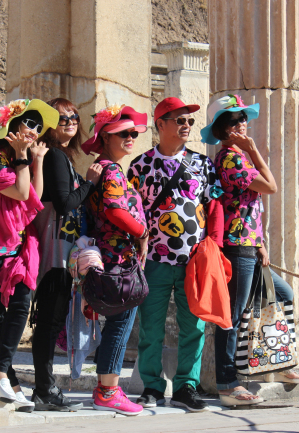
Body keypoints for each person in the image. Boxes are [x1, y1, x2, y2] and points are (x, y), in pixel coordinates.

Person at [202, 94, 299, 407]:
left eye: (243, 117)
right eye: (234, 120)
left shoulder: (239, 157)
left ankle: (275, 361)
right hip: (237, 247)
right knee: (232, 316)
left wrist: (260, 243)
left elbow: (246, 206)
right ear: (223, 130)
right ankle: (227, 383)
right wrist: (254, 149)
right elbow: (271, 187)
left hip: (249, 245)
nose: (242, 123)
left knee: (282, 295)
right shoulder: (232, 159)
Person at [127, 97, 224, 412]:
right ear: (160, 125)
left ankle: (187, 387)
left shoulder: (203, 164)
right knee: (151, 327)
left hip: (194, 261)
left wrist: (215, 246)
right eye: (179, 120)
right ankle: (152, 387)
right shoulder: (139, 166)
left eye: (189, 121)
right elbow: (131, 211)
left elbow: (215, 205)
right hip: (153, 260)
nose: (186, 126)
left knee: (193, 327)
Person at [0, 99, 59, 412]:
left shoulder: (17, 158)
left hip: (14, 249)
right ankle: (9, 382)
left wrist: (38, 161)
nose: (34, 130)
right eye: (28, 123)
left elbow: (35, 197)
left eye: (37, 126)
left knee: (21, 304)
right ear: (10, 125)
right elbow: (20, 193)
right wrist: (22, 157)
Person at [30, 98, 104, 411]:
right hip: (55, 252)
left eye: (74, 116)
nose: (70, 121)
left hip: (57, 251)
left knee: (49, 320)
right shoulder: (56, 157)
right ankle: (44, 388)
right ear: (49, 123)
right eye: (62, 118)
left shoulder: (57, 156)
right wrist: (90, 182)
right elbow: (64, 203)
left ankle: (43, 387)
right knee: (48, 322)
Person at [81, 104, 149, 416]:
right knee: (120, 325)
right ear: (106, 137)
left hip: (111, 256)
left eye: (133, 132)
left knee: (117, 325)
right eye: (124, 132)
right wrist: (142, 231)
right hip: (117, 259)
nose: (131, 136)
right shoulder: (110, 170)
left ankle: (106, 387)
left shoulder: (106, 168)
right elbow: (114, 209)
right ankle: (108, 390)